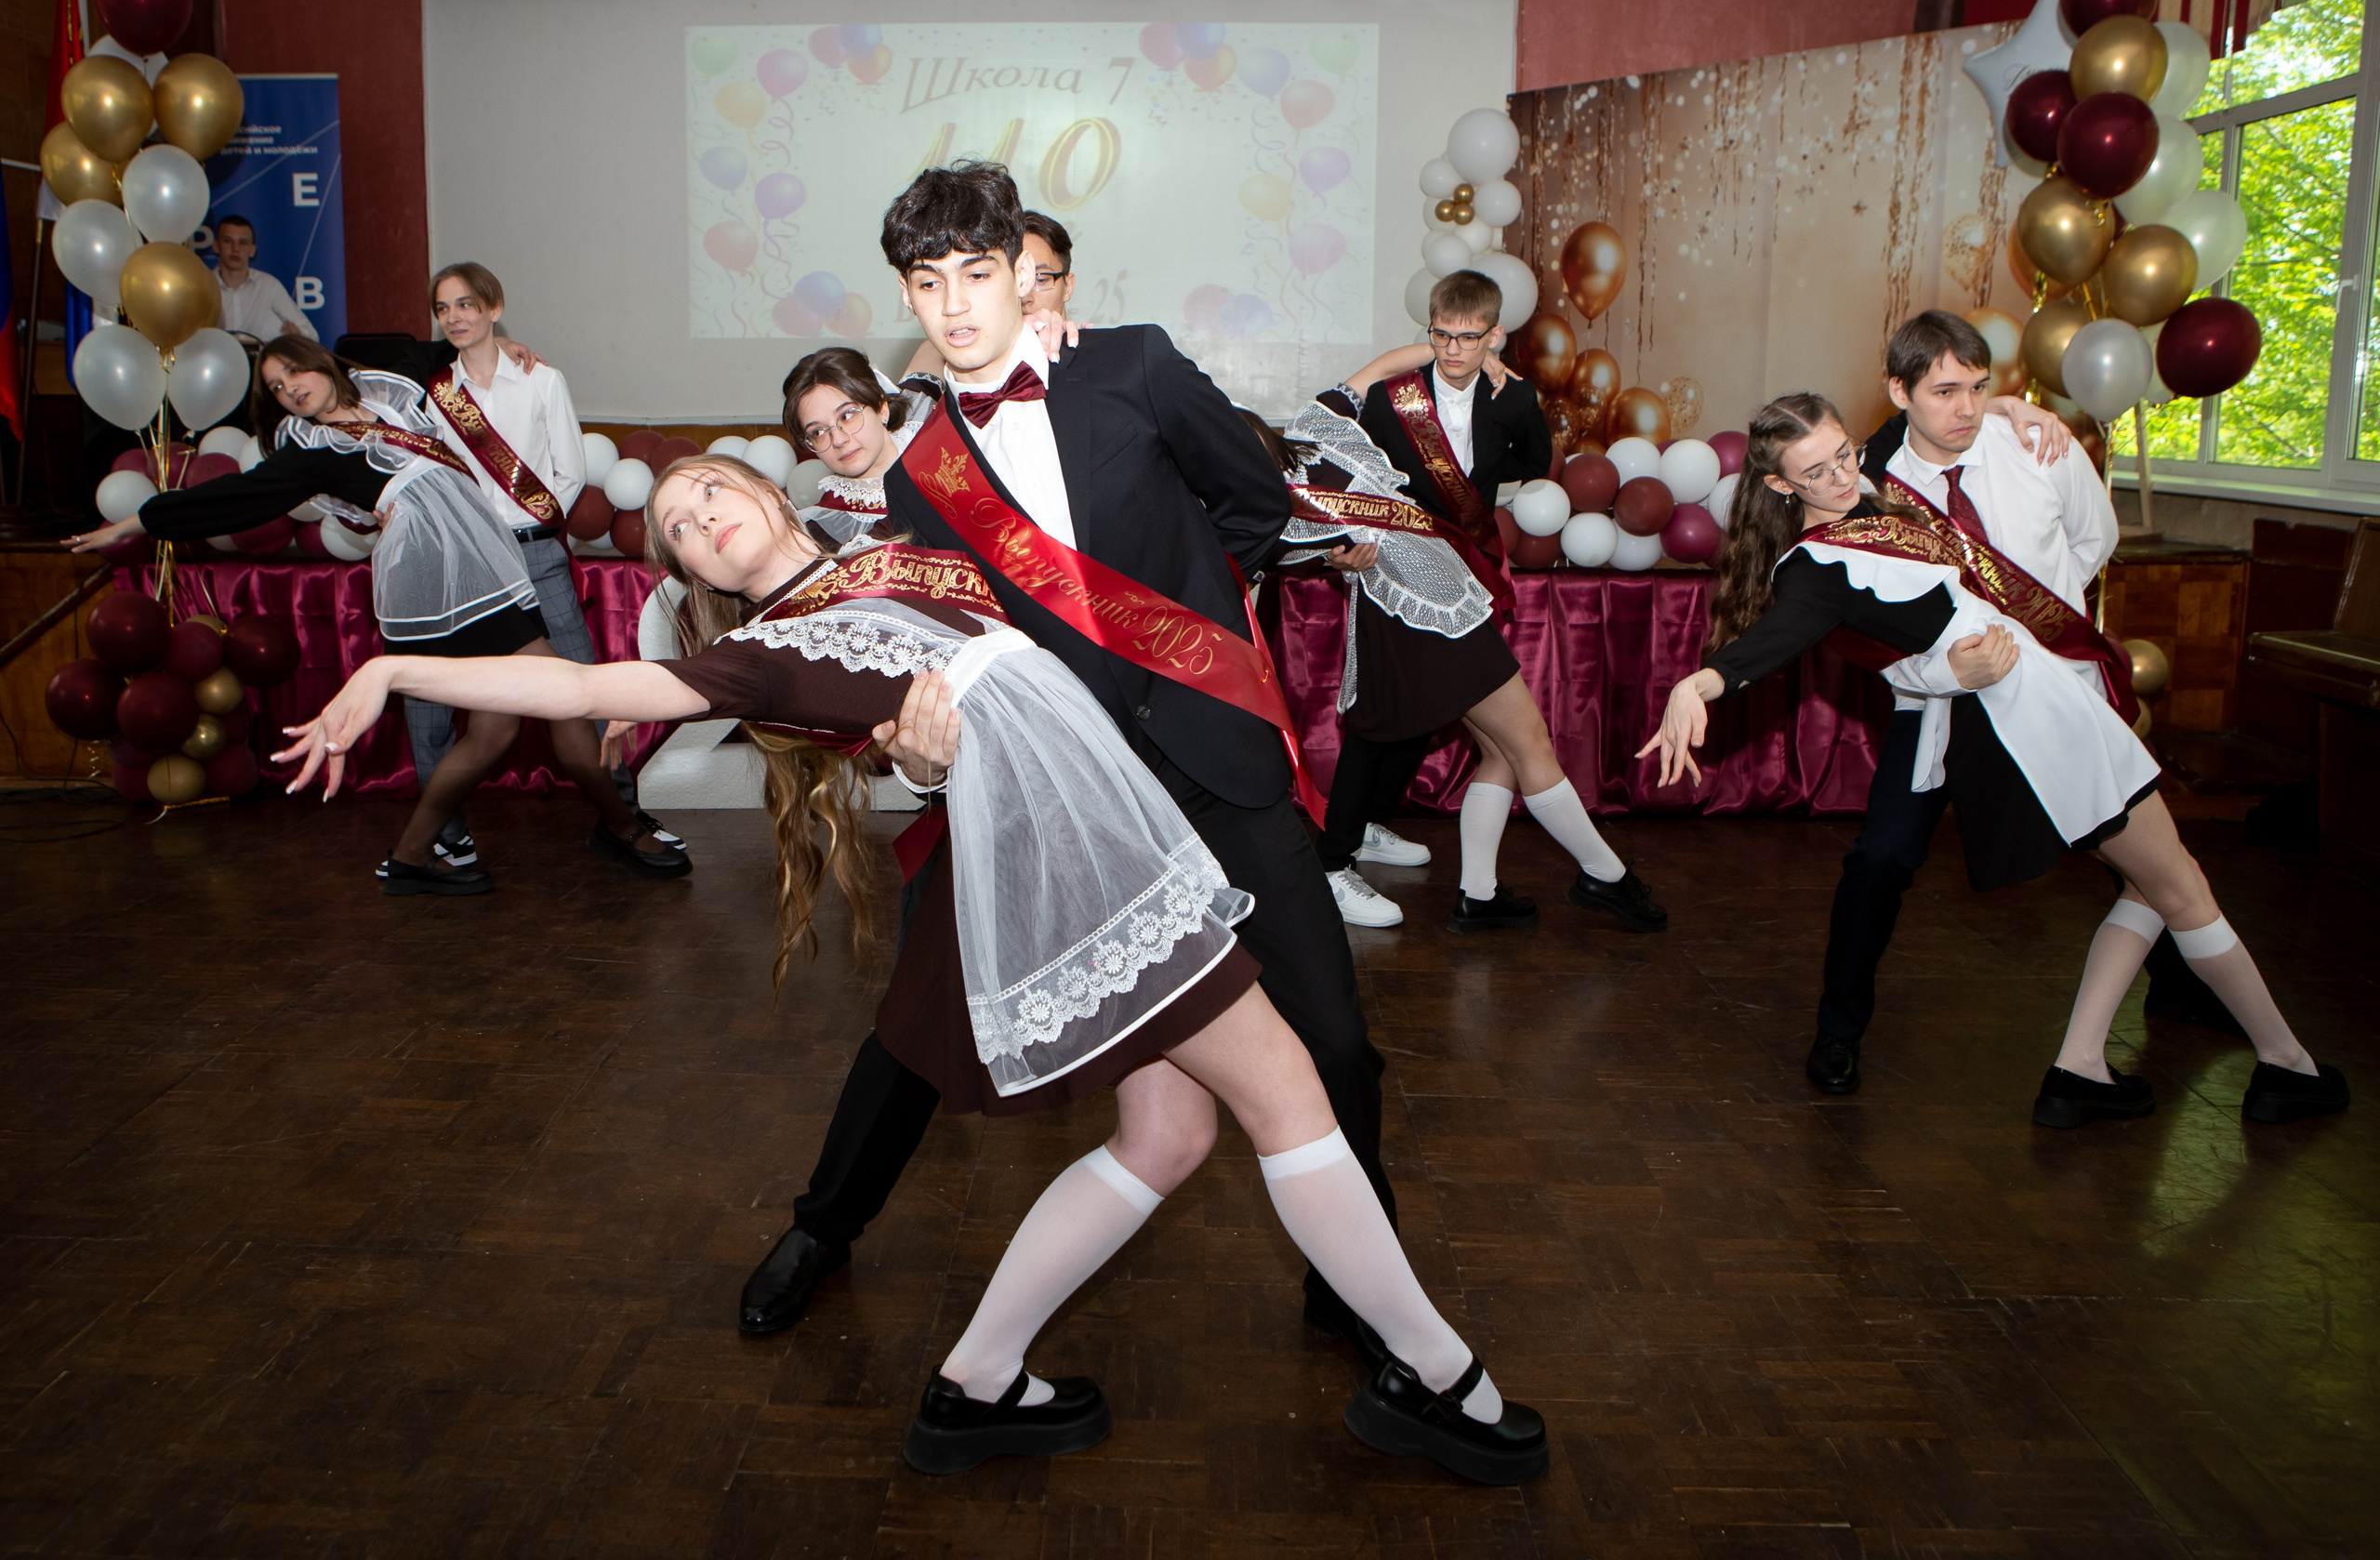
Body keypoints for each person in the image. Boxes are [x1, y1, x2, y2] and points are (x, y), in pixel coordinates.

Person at [272, 453, 1548, 1484]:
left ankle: (979, 1382)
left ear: (766, 492)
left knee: (1169, 1135)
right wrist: (387, 665)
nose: (699, 512)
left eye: (709, 487)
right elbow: (585, 676)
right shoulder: (762, 653)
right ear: (685, 571)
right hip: (1076, 857)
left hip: (1108, 825)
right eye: (675, 524)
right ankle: (1443, 1381)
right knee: (1289, 1096)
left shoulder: (894, 552)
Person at [741, 161, 1401, 1376]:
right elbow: (946, 643)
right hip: (1067, 797)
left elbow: (1253, 503)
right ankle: (821, 1229)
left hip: (1213, 762)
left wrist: (1191, 632)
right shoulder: (918, 472)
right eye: (926, 283)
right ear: (910, 295)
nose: (955, 304)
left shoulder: (1133, 365)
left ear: (1030, 282)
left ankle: (1356, 1289)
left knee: (1339, 1045)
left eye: (981, 275)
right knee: (919, 1023)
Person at [1639, 392, 2347, 1129]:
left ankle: (2080, 1069)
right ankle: (2287, 1066)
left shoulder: (1872, 497)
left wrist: (2012, 405)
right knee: (2183, 890)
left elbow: (1923, 397)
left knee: (2150, 886)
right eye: (1817, 473)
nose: (1843, 475)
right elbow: (1778, 635)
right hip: (2029, 724)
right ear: (1782, 486)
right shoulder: (1815, 569)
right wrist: (1703, 681)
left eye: (1845, 454)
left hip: (2045, 704)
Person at [65, 339, 685, 891]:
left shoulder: (391, 392)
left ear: (320, 362)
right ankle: (619, 826)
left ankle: (416, 853)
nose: (290, 391)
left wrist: (501, 341)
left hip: (480, 562)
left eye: (294, 374)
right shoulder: (306, 450)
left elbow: (421, 344)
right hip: (436, 576)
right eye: (277, 389)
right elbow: (229, 499)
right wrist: (136, 522)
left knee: (495, 732)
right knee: (563, 698)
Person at [1834, 314, 2242, 1091]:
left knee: (2121, 834)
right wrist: (1950, 669)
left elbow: (2092, 544)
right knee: (1882, 858)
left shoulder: (2038, 446)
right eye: (1945, 391)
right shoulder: (1874, 489)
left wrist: (2045, 641)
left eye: (1980, 389)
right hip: (1943, 706)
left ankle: (2185, 985)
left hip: (2051, 695)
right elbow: (1874, 628)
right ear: (1900, 393)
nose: (1967, 407)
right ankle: (1838, 1029)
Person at [1258, 385, 1665, 936]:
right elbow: (1301, 558)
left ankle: (1479, 895)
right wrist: (1336, 559)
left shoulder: (1315, 433)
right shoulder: (1276, 508)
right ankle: (1605, 875)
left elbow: (1367, 380)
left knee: (1499, 750)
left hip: (1441, 597)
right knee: (1531, 745)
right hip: (1428, 612)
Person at [404, 262, 681, 872]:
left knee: (584, 685)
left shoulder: (541, 380)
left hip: (534, 552)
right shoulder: (436, 393)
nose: (455, 317)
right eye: (444, 308)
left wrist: (526, 514)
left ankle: (622, 815)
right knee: (444, 695)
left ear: (495, 306)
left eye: (467, 304)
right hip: (470, 560)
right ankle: (443, 832)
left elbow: (569, 469)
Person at [901, 208, 1074, 385]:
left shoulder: (1093, 359)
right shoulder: (937, 357)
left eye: (1041, 279)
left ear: (1068, 286)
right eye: (929, 284)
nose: (1024, 297)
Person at [782, 347, 932, 545]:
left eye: (847, 415)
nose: (838, 440)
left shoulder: (925, 426)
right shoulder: (823, 530)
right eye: (817, 432)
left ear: (881, 407)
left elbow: (933, 348)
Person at [209, 215, 318, 341]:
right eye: (227, 241)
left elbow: (312, 335)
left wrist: (297, 333)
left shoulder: (268, 285)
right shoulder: (203, 287)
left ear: (252, 250)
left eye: (242, 242)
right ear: (216, 246)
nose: (235, 249)